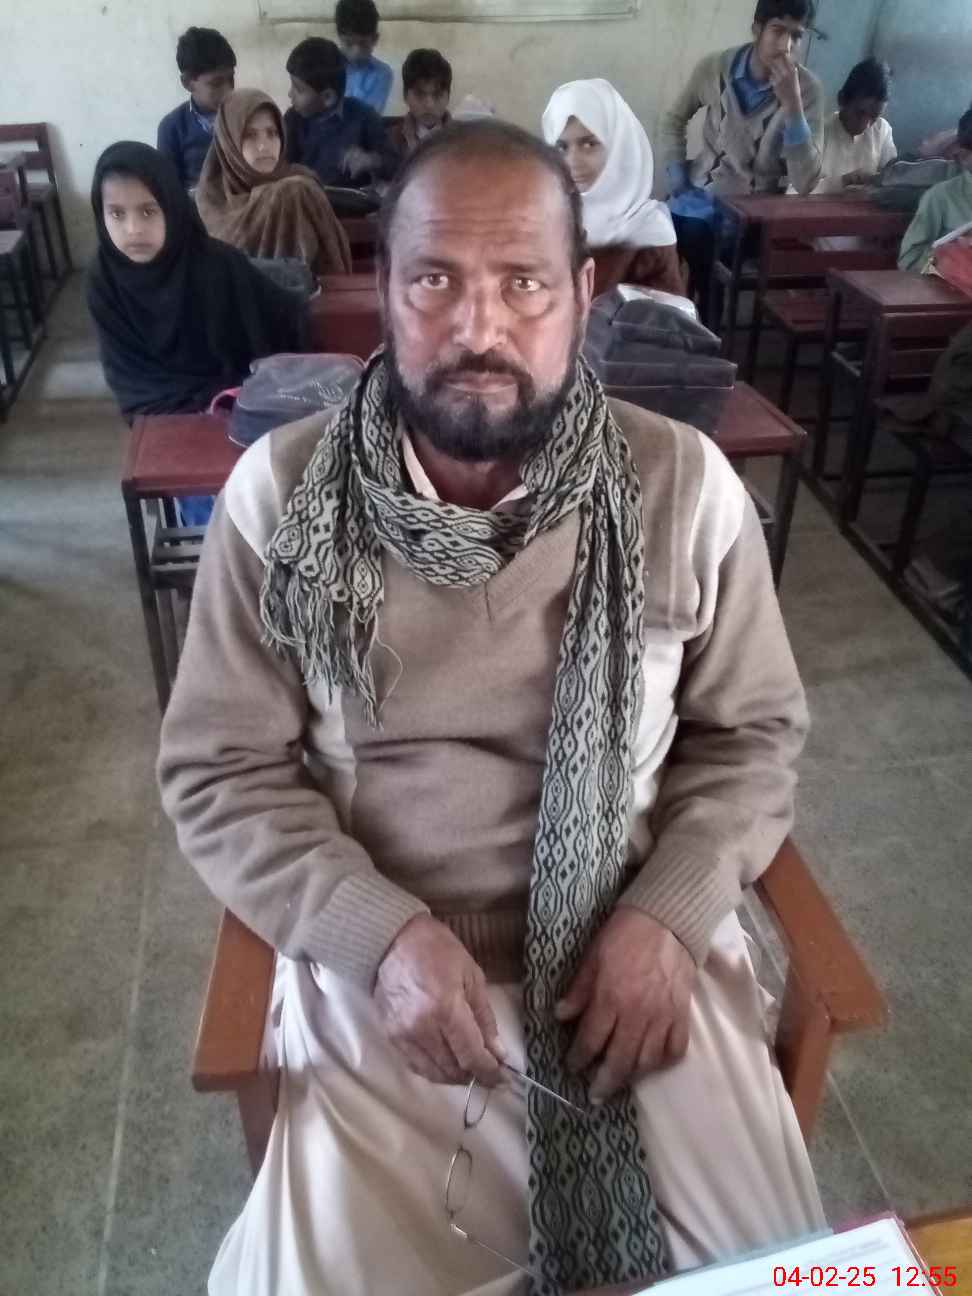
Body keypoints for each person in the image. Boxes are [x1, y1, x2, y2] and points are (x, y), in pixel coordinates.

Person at [158, 119, 824, 1296]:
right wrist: (378, 937)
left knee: (784, 1278)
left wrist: (672, 913)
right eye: (435, 282)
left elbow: (753, 735)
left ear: (581, 296)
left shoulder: (683, 488)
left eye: (523, 283)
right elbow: (220, 771)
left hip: (635, 966)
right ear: (384, 292)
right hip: (389, 983)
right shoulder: (284, 500)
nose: (479, 329)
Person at [87, 142, 305, 523]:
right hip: (164, 415)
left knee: (270, 501)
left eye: (148, 211)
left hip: (238, 405)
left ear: (172, 207)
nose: (133, 229)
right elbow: (130, 380)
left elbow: (284, 324)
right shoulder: (103, 281)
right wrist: (195, 410)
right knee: (218, 516)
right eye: (116, 214)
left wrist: (241, 399)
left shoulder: (218, 266)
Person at [660, 0, 824, 320]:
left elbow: (806, 181)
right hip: (699, 195)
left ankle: (703, 325)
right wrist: (678, 179)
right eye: (777, 31)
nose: (786, 45)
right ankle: (683, 319)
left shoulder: (807, 90)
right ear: (756, 29)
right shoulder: (715, 68)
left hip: (753, 211)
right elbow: (673, 120)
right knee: (657, 233)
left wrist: (793, 106)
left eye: (797, 36)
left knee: (705, 244)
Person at [542, 79, 685, 300]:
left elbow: (666, 318)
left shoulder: (648, 232)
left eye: (589, 144)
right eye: (561, 147)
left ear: (620, 146)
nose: (573, 161)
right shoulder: (546, 219)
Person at [196, 89, 352, 277]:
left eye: (272, 133)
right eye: (250, 135)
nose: (264, 146)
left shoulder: (302, 186)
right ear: (228, 141)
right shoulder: (211, 198)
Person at [284, 36, 398, 188]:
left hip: (351, 201)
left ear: (327, 97)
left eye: (298, 89)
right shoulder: (292, 119)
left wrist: (371, 160)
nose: (290, 94)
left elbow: (395, 165)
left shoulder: (364, 116)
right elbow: (282, 166)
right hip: (305, 198)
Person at [799, 58, 896, 195]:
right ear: (842, 99)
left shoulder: (882, 130)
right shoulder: (819, 133)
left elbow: (892, 180)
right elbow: (796, 190)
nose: (866, 125)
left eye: (874, 116)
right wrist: (843, 181)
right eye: (860, 113)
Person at [157, 26, 236, 190]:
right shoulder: (172, 127)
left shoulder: (245, 114)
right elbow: (170, 190)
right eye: (216, 83)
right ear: (187, 83)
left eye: (231, 79)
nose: (228, 90)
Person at [899, 107, 972, 272]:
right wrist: (951, 255)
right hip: (953, 283)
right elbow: (909, 260)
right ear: (963, 156)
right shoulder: (941, 197)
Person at [390, 48, 453, 159]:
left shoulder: (463, 139)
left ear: (448, 97)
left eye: (437, 95)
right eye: (419, 94)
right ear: (405, 95)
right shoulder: (391, 140)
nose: (429, 105)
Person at [335, 0, 393, 114]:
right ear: (339, 37)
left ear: (375, 39)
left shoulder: (382, 73)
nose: (356, 52)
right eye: (349, 43)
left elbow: (369, 117)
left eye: (363, 44)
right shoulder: (326, 67)